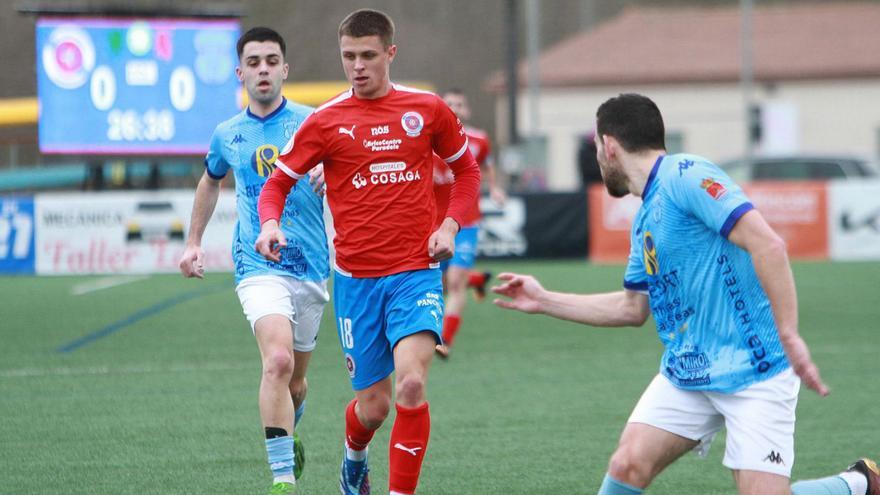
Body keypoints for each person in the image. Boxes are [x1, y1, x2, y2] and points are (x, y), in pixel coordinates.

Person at [492, 93, 877, 495]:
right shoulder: (644, 216)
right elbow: (631, 308)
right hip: (686, 374)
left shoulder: (686, 175)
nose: (598, 161)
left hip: (754, 371)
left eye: (598, 151)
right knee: (627, 464)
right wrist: (544, 300)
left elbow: (769, 245)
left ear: (609, 146)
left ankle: (855, 484)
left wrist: (790, 333)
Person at [254, 9, 480, 495]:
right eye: (349, 56)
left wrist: (449, 225)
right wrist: (270, 223)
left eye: (368, 55)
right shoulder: (326, 121)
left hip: (415, 272)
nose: (357, 66)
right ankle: (354, 457)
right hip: (356, 282)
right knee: (374, 407)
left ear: (390, 54)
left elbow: (468, 174)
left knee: (413, 385)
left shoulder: (427, 111)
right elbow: (276, 184)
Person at [178, 27, 330, 495]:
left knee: (297, 384)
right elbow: (210, 181)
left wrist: (332, 170)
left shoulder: (314, 123)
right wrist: (193, 241)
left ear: (285, 69)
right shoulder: (228, 134)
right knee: (277, 360)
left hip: (312, 267)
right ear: (240, 72)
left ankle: (291, 426)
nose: (263, 69)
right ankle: (282, 479)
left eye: (271, 61)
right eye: (254, 62)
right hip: (257, 264)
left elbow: (351, 165)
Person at [432, 88, 506, 359]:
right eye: (448, 103)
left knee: (453, 282)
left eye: (459, 104)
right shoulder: (426, 140)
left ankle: (445, 340)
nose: (454, 108)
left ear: (466, 110)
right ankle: (475, 280)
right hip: (432, 225)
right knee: (439, 282)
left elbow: (486, 165)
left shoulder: (478, 140)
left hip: (466, 222)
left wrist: (494, 188)